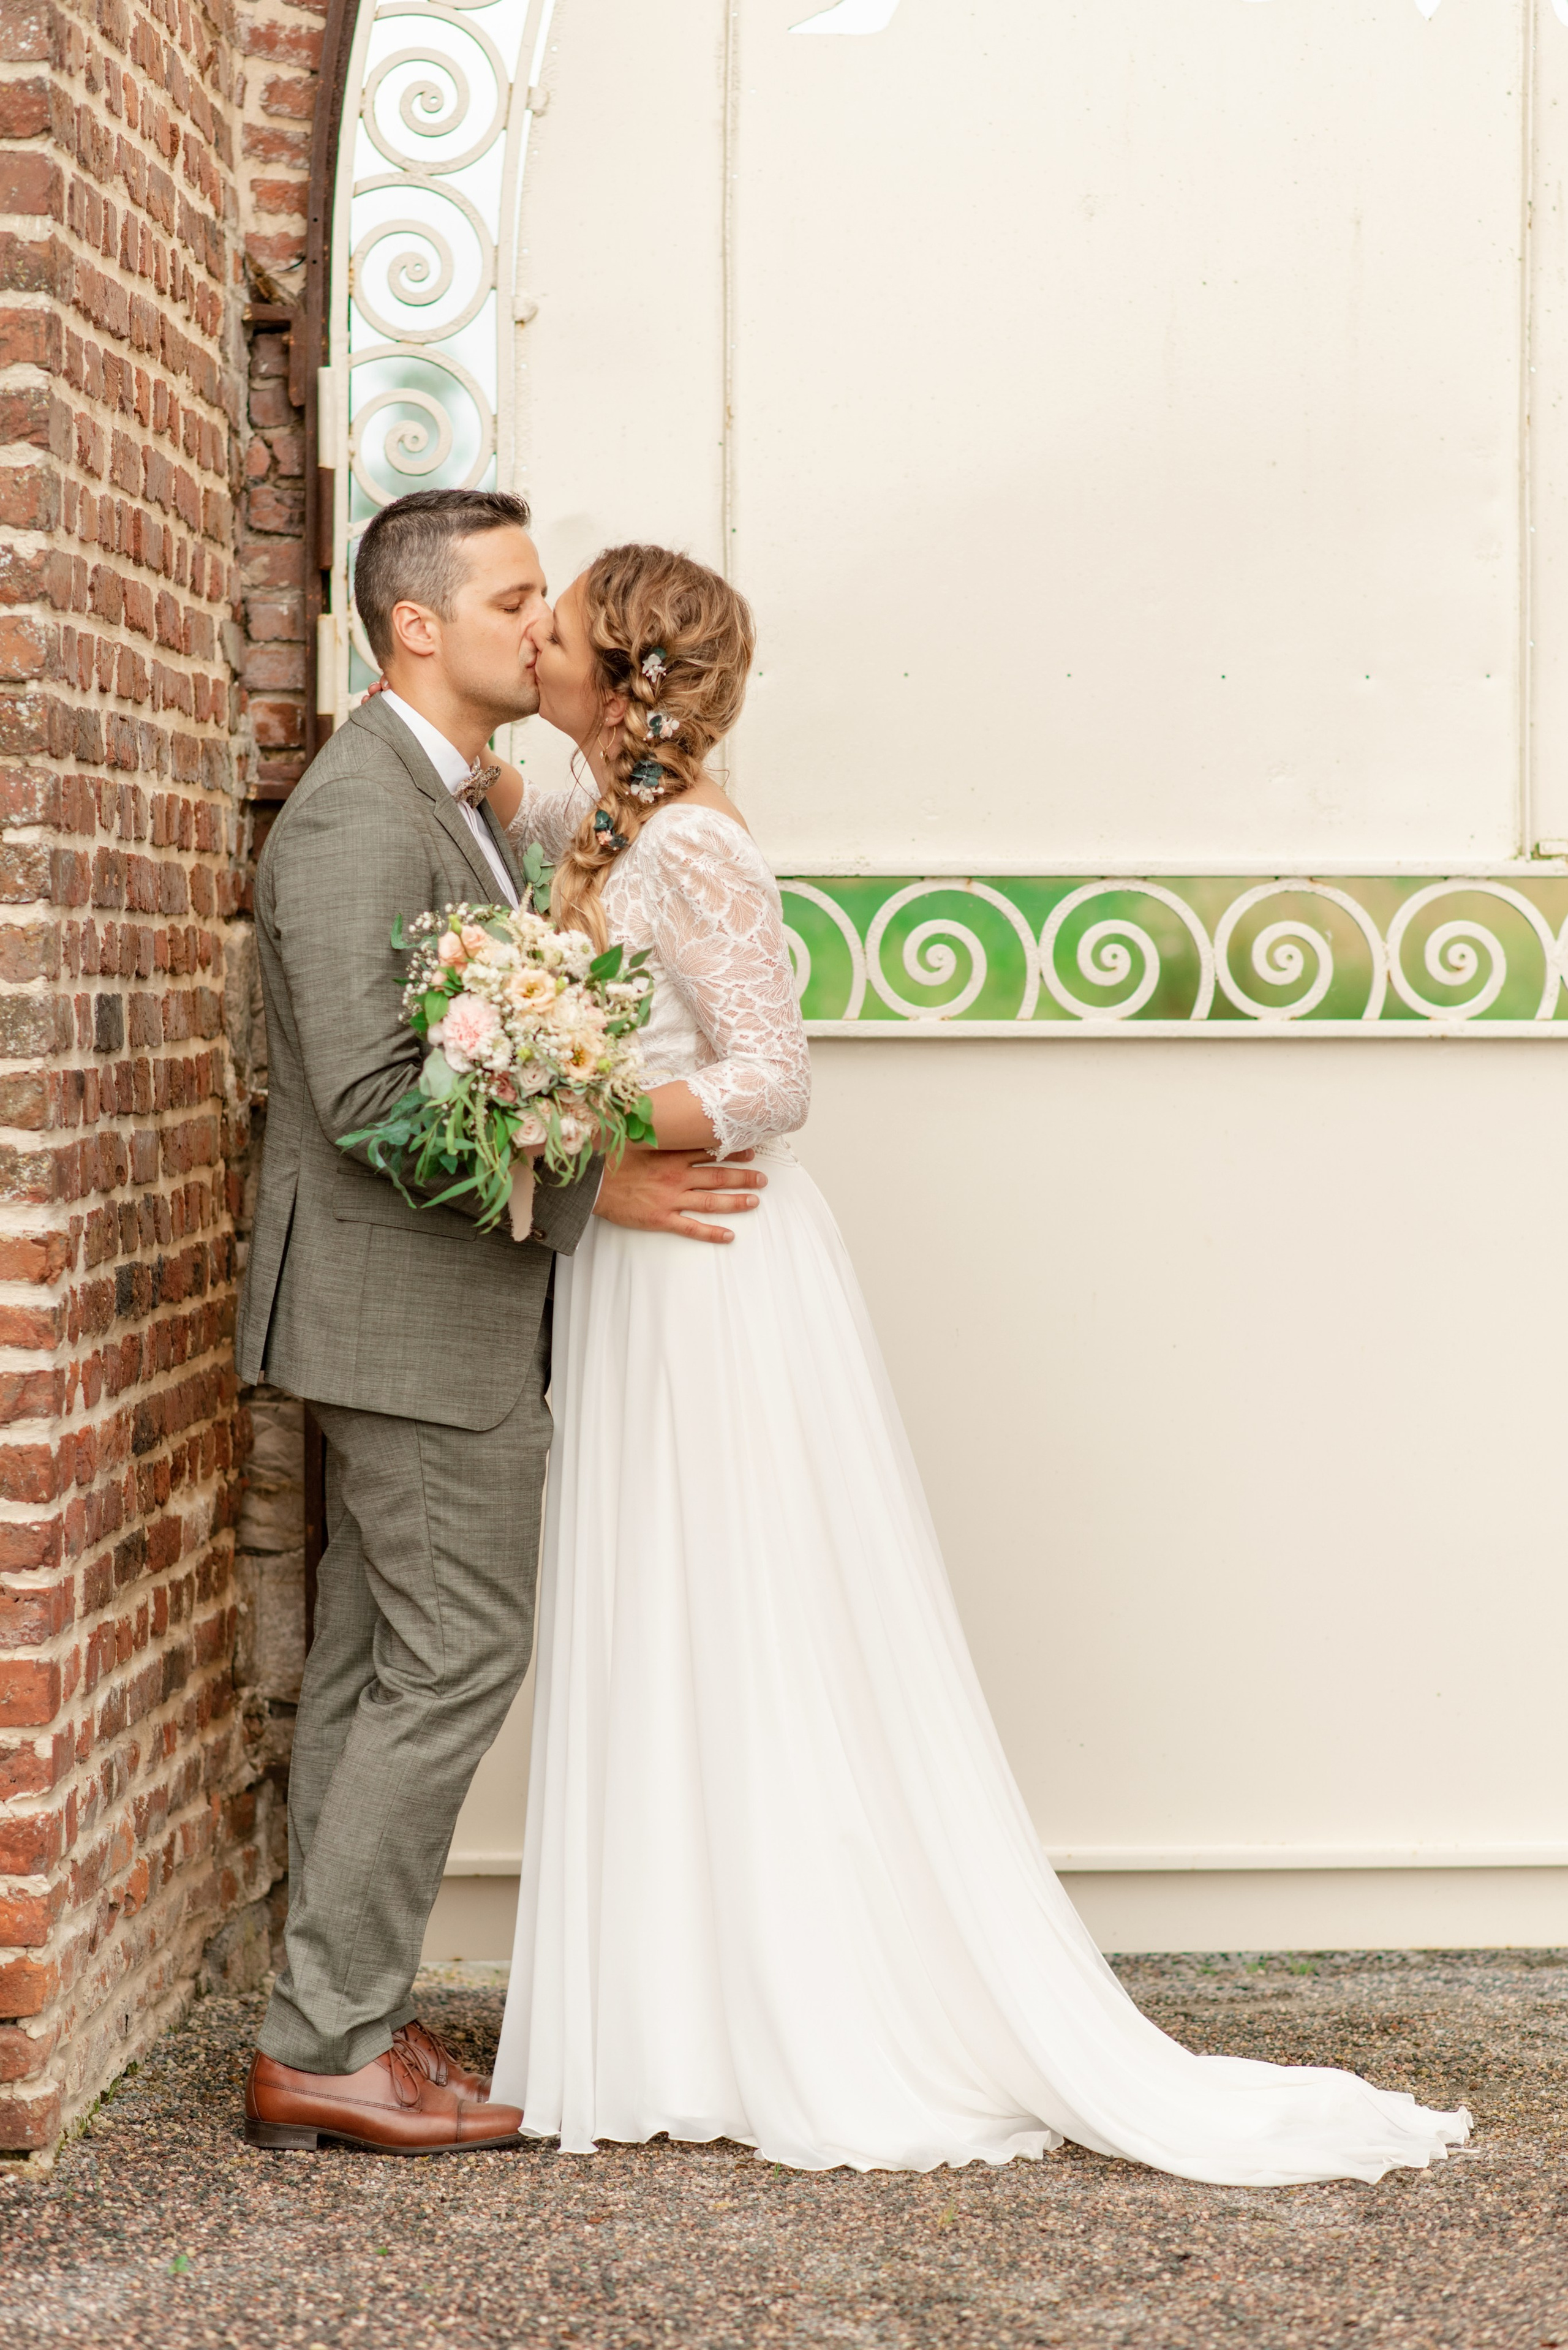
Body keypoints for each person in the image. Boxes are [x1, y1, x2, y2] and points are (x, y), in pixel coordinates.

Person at [481, 540, 1471, 2186]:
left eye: (563, 629)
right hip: (639, 1262)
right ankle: (669, 2009)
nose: (543, 645)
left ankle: (801, 2005)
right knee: (663, 1605)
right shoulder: (584, 825)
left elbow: (772, 1080)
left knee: (745, 1605)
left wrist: (563, 1113)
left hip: (719, 1269)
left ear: (621, 676)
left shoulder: (696, 845)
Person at [234, 491, 768, 2156]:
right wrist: (593, 1185)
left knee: (382, 1665)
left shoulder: (460, 797)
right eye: (517, 598)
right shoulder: (351, 822)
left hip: (425, 1309)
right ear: (417, 626)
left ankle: (339, 2023)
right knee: (455, 1655)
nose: (544, 628)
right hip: (406, 1318)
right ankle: (327, 2042)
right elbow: (376, 1099)